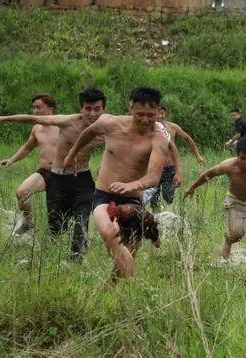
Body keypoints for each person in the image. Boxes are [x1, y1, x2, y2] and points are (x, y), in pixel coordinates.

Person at [62, 87, 170, 287]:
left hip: (133, 200)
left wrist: (131, 185)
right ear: (130, 108)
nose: (145, 120)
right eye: (139, 115)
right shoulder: (109, 123)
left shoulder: (159, 138)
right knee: (110, 232)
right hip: (104, 195)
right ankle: (133, 287)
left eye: (150, 115)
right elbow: (88, 132)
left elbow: (154, 178)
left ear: (158, 111)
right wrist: (71, 155)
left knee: (124, 256)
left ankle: (113, 292)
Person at [0, 87, 107, 262]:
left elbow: (128, 136)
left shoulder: (107, 128)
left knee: (81, 217)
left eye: (97, 109)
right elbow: (31, 121)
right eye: (88, 109)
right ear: (81, 108)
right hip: (57, 177)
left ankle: (76, 258)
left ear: (103, 109)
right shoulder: (66, 122)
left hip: (82, 178)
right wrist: (2, 119)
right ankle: (42, 243)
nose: (92, 113)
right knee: (55, 225)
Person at [184, 137, 246, 260]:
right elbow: (208, 174)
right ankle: (227, 242)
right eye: (243, 158)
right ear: (237, 156)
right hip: (235, 202)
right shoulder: (229, 165)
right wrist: (192, 187)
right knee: (236, 233)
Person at [0, 94, 59, 234]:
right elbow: (27, 148)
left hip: (62, 174)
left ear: (50, 108)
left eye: (39, 107)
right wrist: (11, 160)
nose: (35, 111)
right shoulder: (37, 128)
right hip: (44, 172)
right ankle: (28, 222)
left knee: (56, 214)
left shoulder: (62, 125)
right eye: (34, 108)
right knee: (22, 192)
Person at [144, 103, 204, 211]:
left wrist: (198, 156)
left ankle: (169, 213)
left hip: (169, 169)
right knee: (153, 199)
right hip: (154, 168)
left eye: (162, 113)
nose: (160, 116)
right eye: (158, 114)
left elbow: (187, 139)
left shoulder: (173, 127)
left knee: (168, 197)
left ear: (165, 113)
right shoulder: (148, 128)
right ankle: (157, 218)